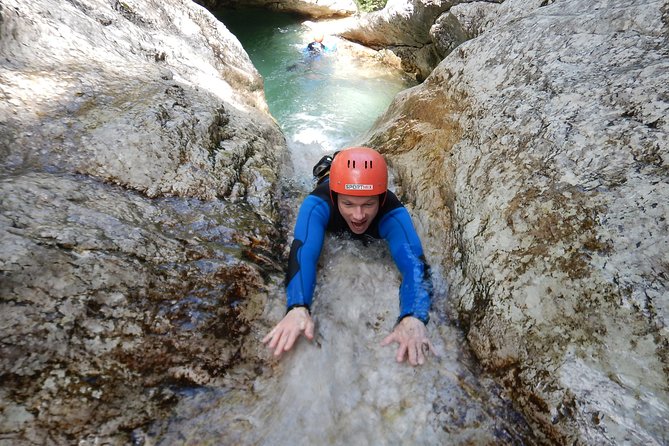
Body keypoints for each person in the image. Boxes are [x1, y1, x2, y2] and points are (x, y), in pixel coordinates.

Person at [262, 147, 436, 366]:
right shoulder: (317, 203)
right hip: (326, 182)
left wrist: (413, 316)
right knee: (323, 173)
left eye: (368, 204)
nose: (359, 215)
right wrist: (297, 306)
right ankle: (328, 165)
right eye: (348, 204)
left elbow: (415, 266)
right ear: (335, 198)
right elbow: (304, 251)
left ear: (381, 200)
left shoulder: (393, 212)